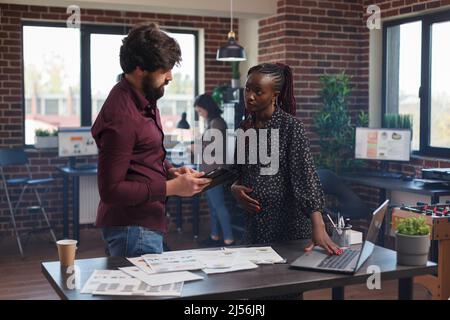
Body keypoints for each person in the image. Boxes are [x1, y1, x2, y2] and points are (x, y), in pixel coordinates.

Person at [91, 23, 211, 257]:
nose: (170, 77)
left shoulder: (144, 98)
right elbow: (110, 191)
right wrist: (171, 187)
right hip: (133, 230)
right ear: (140, 69)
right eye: (164, 69)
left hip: (142, 226)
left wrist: (170, 171)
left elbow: (144, 155)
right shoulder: (122, 115)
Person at [231, 63, 341, 255]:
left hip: (289, 227)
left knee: (286, 281)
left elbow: (305, 176)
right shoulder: (244, 128)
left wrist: (319, 225)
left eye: (258, 91)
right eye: (247, 89)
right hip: (256, 225)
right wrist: (234, 188)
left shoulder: (291, 127)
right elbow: (237, 172)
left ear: (275, 95)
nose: (250, 96)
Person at [194, 94, 234, 246]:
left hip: (215, 172)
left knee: (218, 205)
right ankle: (215, 236)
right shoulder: (212, 122)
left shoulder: (217, 123)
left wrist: (196, 146)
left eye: (200, 111)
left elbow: (213, 147)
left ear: (207, 108)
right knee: (212, 206)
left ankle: (229, 239)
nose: (199, 114)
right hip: (210, 171)